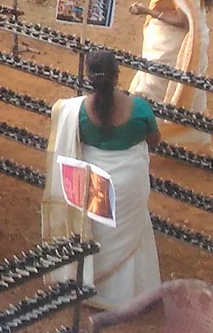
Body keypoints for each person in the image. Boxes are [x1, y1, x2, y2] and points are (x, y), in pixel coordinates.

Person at [44, 49, 161, 308]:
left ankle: (90, 283)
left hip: (94, 183)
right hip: (130, 183)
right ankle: (128, 295)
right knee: (131, 229)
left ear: (88, 78)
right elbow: (154, 140)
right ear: (117, 77)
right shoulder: (140, 107)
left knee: (95, 229)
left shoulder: (75, 111)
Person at [128, 0, 213, 148]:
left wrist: (147, 11)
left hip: (169, 51)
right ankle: (185, 142)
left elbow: (182, 21)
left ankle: (142, 140)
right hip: (173, 47)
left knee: (148, 90)